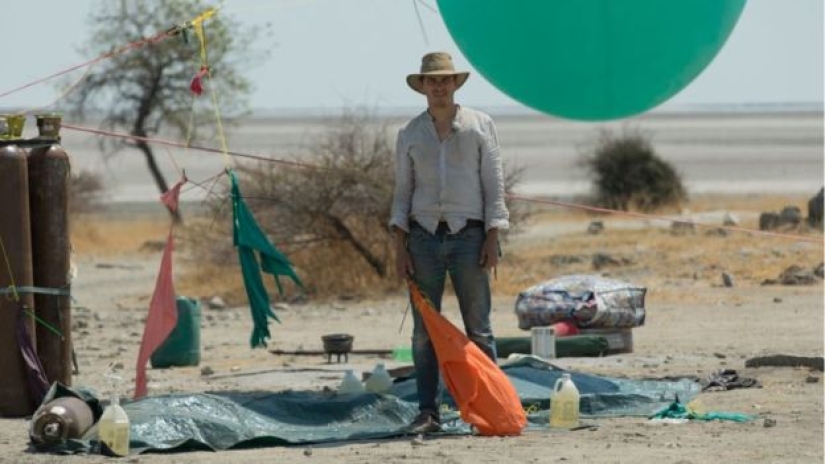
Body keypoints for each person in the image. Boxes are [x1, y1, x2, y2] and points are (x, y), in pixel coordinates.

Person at [389, 52, 509, 434]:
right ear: (422, 86)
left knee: (479, 329)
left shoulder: (480, 125)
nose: (439, 86)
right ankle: (429, 412)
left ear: (455, 84)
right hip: (422, 237)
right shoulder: (410, 133)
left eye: (445, 80)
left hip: (470, 237)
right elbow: (402, 193)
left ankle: (488, 411)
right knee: (424, 331)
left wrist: (493, 236)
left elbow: (493, 185)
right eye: (432, 80)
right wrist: (400, 247)